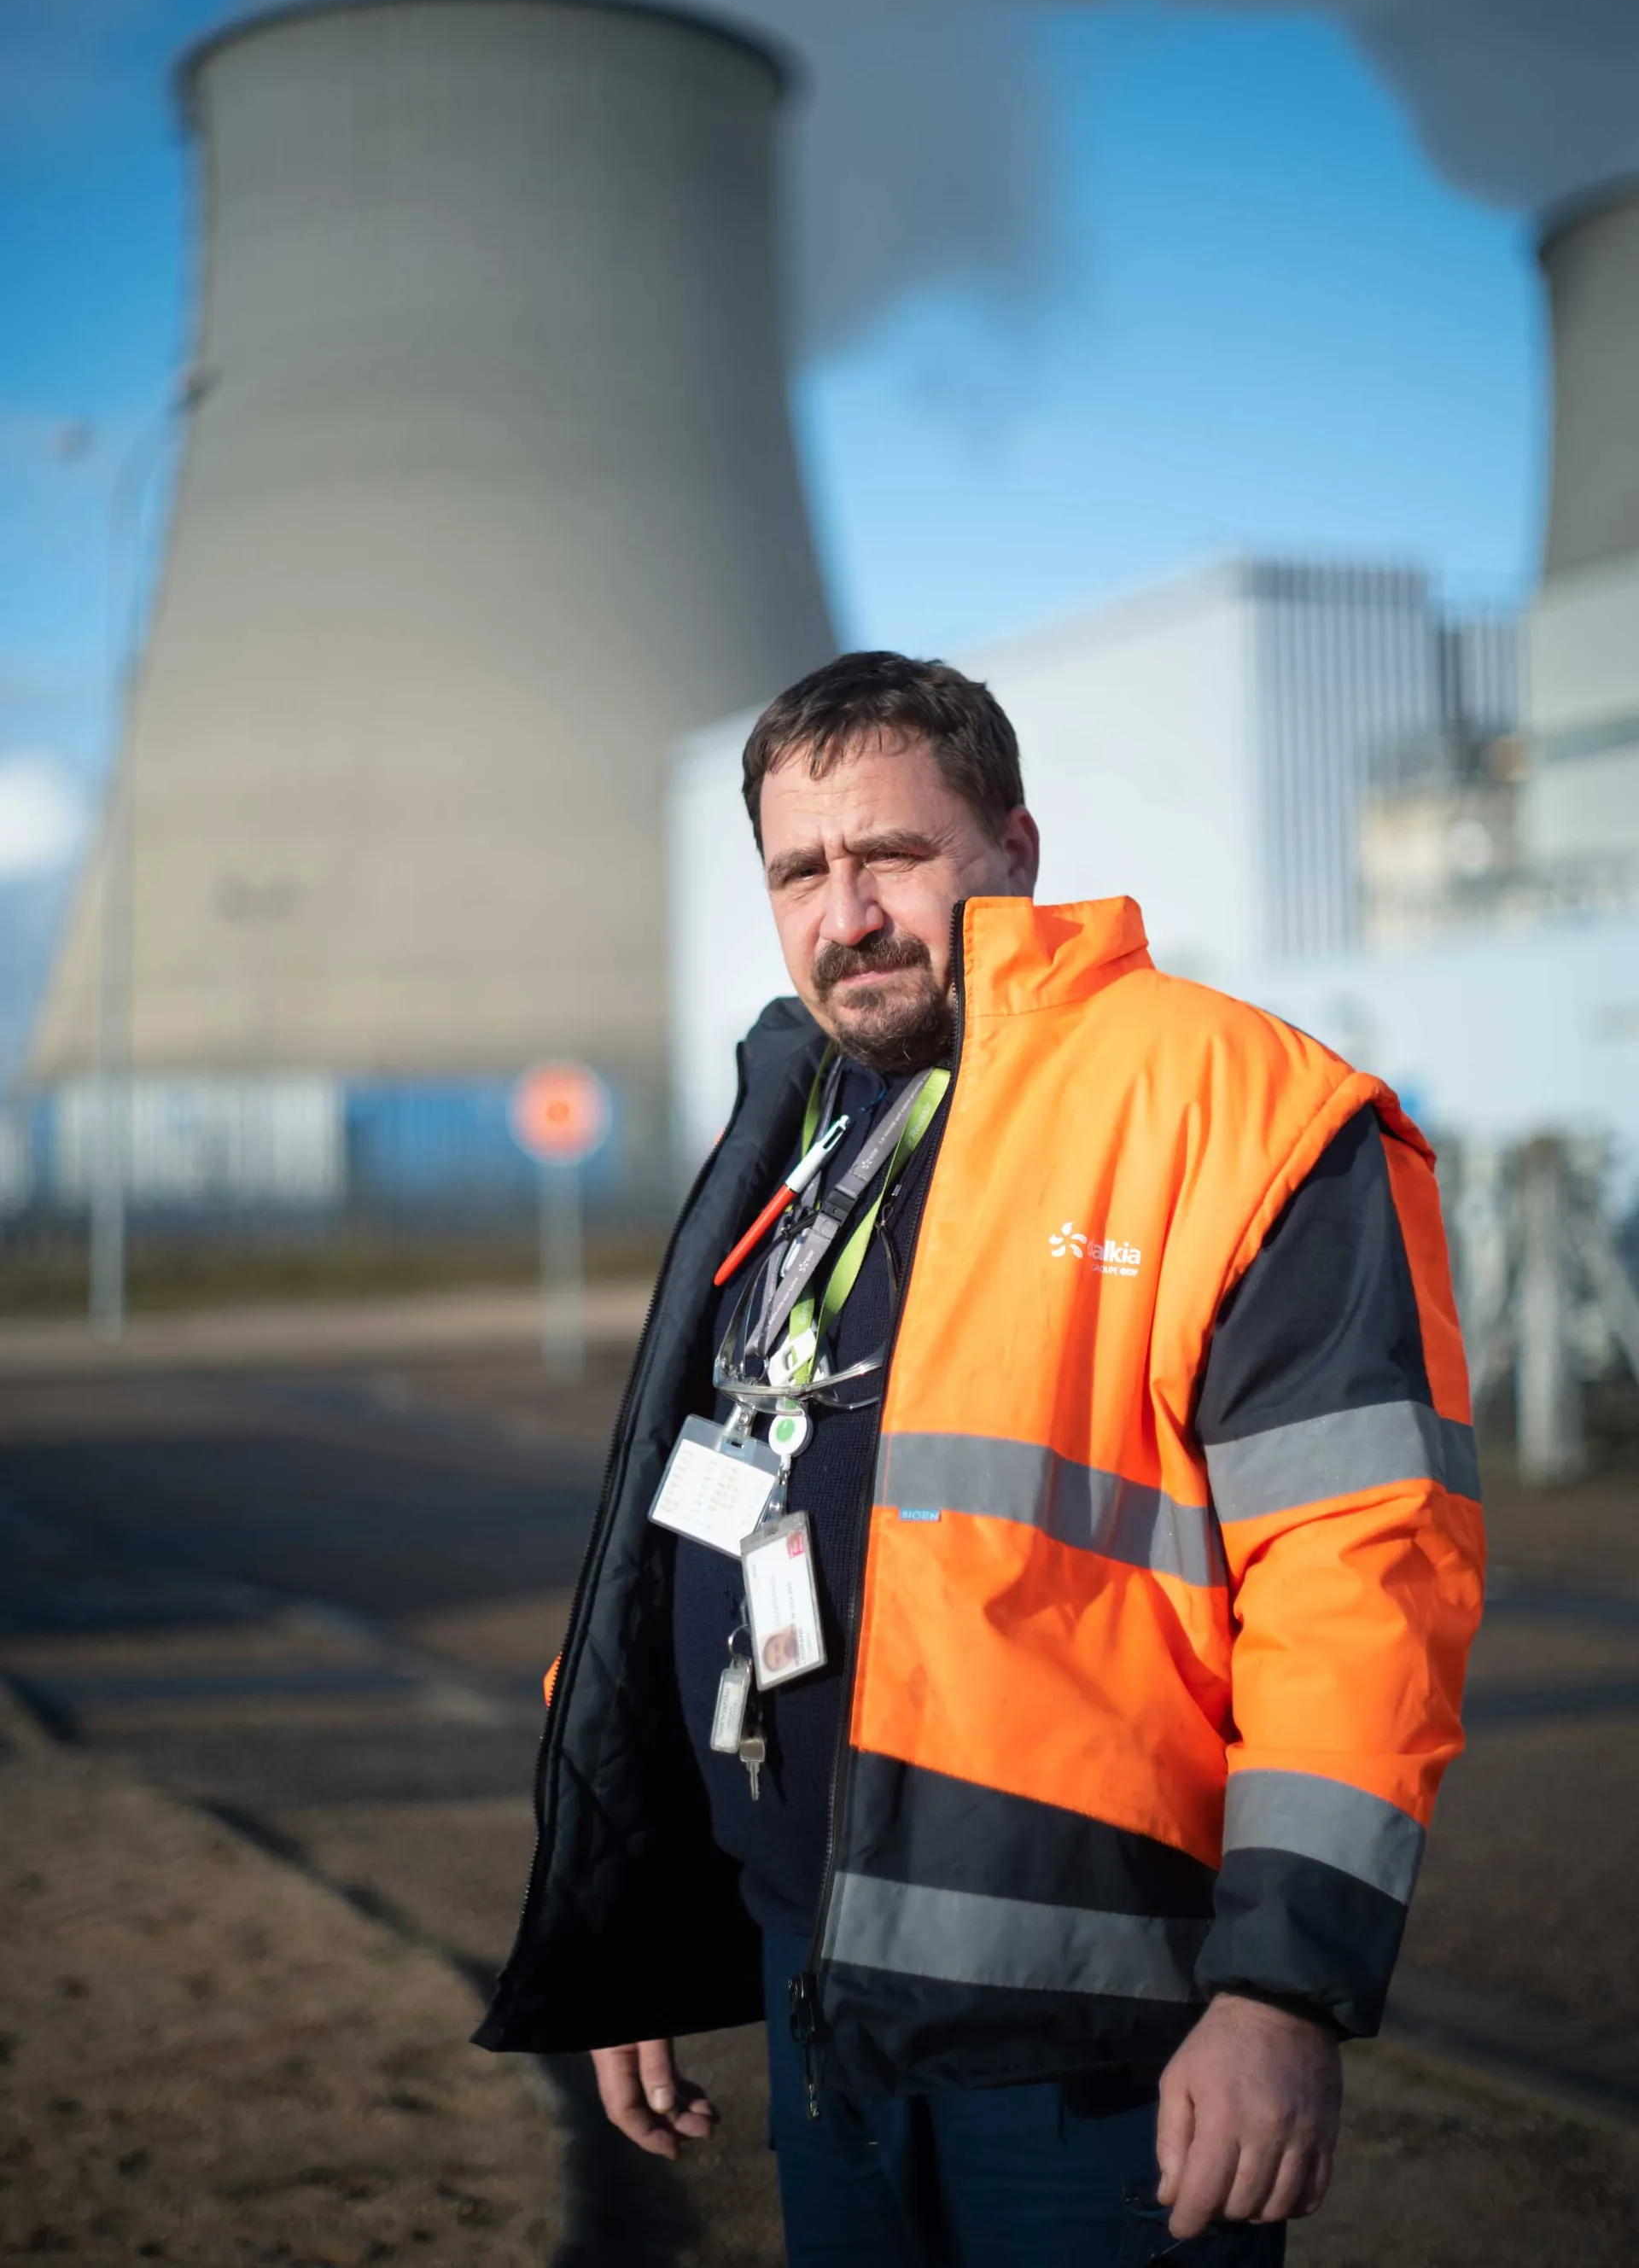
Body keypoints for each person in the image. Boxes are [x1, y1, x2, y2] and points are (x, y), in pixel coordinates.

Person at [476, 652, 1484, 2266]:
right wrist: (619, 1922)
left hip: (1105, 2041)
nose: (847, 915)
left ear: (1014, 848)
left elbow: (1364, 1573)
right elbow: (678, 1528)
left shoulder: (1233, 1106)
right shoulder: (801, 1127)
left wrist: (1279, 1990)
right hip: (823, 1996)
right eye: (800, 872)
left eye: (893, 855)